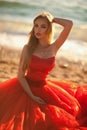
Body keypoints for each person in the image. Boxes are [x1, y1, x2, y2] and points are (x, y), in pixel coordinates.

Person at [0, 12, 87, 130]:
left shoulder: (54, 47)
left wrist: (52, 19)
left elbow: (69, 24)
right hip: (25, 88)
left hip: (44, 88)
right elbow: (20, 75)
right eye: (36, 25)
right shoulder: (28, 48)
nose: (38, 29)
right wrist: (31, 95)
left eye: (43, 26)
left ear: (49, 28)